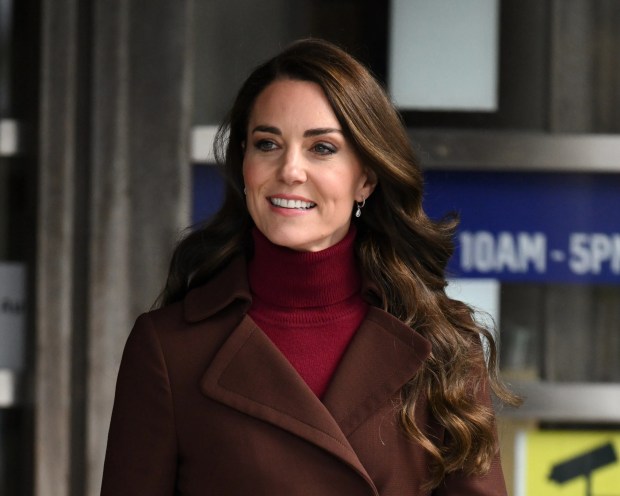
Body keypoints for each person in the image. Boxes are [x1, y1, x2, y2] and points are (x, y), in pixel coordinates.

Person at [101, 38, 519, 495]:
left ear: (366, 177)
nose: (290, 170)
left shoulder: (442, 344)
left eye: (321, 148)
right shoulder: (169, 349)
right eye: (267, 144)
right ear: (244, 165)